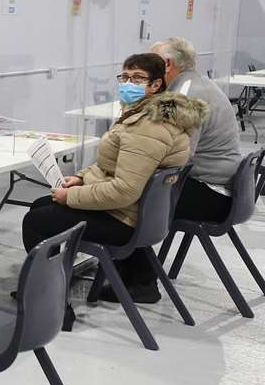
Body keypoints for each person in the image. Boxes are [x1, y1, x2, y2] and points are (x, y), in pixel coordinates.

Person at [22, 52, 207, 306]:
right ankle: (137, 282)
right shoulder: (146, 115)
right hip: (138, 213)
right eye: (125, 76)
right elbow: (111, 166)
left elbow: (124, 190)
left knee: (35, 220)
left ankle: (49, 302)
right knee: (42, 205)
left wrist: (71, 197)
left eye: (138, 78)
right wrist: (80, 178)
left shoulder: (148, 126)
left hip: (123, 218)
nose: (129, 83)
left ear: (155, 85)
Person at [152, 37, 242, 222]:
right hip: (221, 187)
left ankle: (128, 249)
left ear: (167, 64)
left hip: (209, 194)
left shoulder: (183, 96)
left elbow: (175, 156)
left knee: (127, 201)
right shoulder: (200, 84)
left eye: (151, 63)